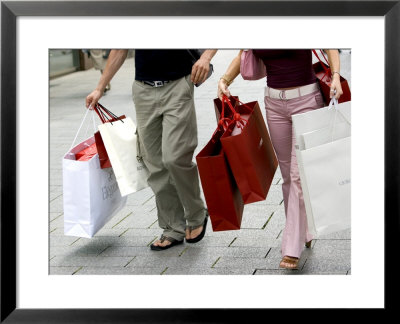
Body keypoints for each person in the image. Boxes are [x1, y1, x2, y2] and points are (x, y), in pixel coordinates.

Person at [218, 49, 343, 269]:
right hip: (274, 104)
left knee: (297, 176)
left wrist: (335, 76)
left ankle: (291, 248)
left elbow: (329, 45)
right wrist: (224, 79)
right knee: (288, 175)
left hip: (307, 101)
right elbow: (243, 52)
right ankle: (302, 229)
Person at [86, 49, 217, 250]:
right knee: (154, 163)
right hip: (143, 90)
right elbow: (120, 48)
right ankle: (173, 227)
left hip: (178, 85)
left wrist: (206, 58)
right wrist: (99, 88)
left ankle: (196, 213)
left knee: (175, 157)